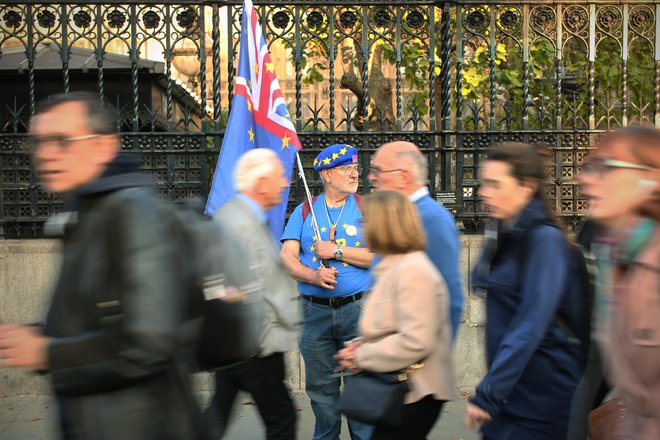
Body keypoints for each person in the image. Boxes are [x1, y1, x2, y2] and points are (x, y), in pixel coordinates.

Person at [0, 92, 206, 439]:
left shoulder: (132, 212)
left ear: (104, 146)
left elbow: (148, 341)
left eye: (61, 141)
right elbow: (95, 315)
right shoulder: (90, 210)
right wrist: (43, 333)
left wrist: (47, 351)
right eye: (38, 142)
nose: (45, 154)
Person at [465, 142, 585, 439]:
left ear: (526, 187)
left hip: (541, 399)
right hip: (511, 395)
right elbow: (479, 280)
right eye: (484, 183)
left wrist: (489, 393)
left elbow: (531, 323)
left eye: (495, 184)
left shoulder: (545, 240)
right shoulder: (504, 231)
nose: (484, 192)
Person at [336, 190, 456, 440]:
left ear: (383, 224)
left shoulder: (412, 271)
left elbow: (416, 340)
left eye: (365, 221)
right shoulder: (393, 267)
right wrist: (358, 346)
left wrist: (362, 356)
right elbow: (391, 324)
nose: (361, 229)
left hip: (416, 393)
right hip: (400, 390)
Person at [204, 149, 299, 439]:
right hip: (254, 344)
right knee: (282, 419)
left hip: (239, 341)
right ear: (260, 184)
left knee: (217, 413)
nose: (285, 183)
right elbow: (238, 288)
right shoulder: (242, 225)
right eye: (279, 177)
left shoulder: (236, 215)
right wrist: (257, 341)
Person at [281, 143, 373, 440]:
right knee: (321, 391)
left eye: (355, 168)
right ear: (327, 175)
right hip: (313, 313)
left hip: (357, 311)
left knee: (361, 387)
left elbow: (382, 255)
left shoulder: (367, 207)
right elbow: (286, 257)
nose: (354, 174)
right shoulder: (305, 209)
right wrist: (313, 275)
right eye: (346, 169)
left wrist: (336, 250)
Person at [577, 126, 660, 439]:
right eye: (589, 168)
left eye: (606, 168)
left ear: (651, 178)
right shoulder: (620, 257)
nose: (584, 179)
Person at [368, 140, 464, 340]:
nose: (371, 177)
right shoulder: (397, 213)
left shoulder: (432, 219)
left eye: (378, 170)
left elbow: (449, 298)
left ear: (403, 176)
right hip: (386, 351)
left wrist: (429, 359)